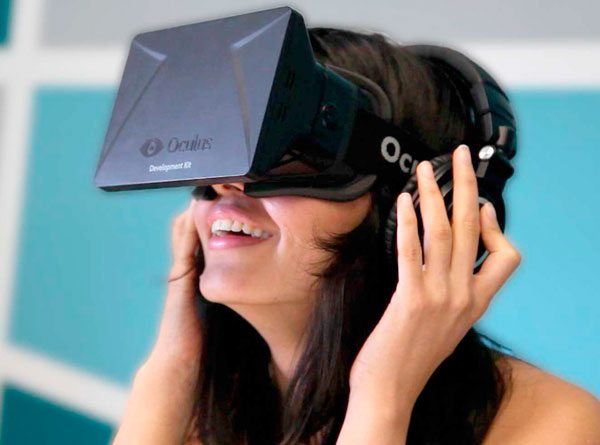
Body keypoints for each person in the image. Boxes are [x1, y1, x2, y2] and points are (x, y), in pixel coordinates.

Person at [111, 28, 600, 445]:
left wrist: (382, 396)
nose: (225, 185)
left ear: (428, 211)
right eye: (225, 152)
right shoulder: (188, 416)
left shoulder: (553, 426)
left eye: (287, 156)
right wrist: (170, 372)